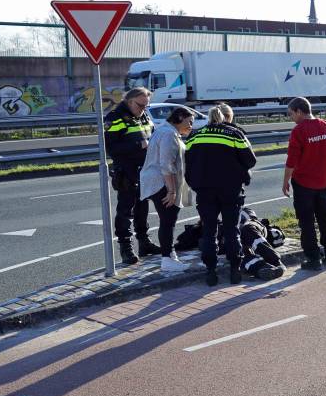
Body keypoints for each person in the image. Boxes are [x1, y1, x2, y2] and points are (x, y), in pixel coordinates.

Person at [185, 103, 257, 286]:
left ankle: (211, 271)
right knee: (231, 229)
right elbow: (250, 160)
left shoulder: (195, 135)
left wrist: (196, 183)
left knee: (209, 230)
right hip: (230, 190)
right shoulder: (235, 134)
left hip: (204, 190)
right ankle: (235, 270)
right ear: (226, 117)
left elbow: (188, 163)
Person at [282, 96, 326, 270]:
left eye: (290, 113)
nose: (290, 117)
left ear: (299, 111)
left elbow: (291, 161)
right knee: (325, 219)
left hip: (303, 183)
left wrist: (285, 181)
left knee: (306, 222)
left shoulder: (299, 131)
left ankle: (313, 259)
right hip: (323, 182)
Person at [104, 87, 157, 265]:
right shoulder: (115, 117)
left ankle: (144, 242)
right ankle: (126, 247)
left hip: (144, 170)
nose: (143, 109)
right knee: (126, 210)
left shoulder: (143, 116)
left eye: (146, 106)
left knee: (142, 207)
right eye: (140, 105)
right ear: (129, 100)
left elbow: (152, 134)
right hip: (126, 171)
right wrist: (138, 145)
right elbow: (111, 148)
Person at [140, 106, 194, 272]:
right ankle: (167, 259)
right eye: (189, 121)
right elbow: (165, 164)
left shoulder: (166, 131)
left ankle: (170, 256)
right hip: (162, 183)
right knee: (168, 221)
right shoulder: (169, 134)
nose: (191, 125)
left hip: (160, 182)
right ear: (179, 117)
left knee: (168, 220)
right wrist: (172, 191)